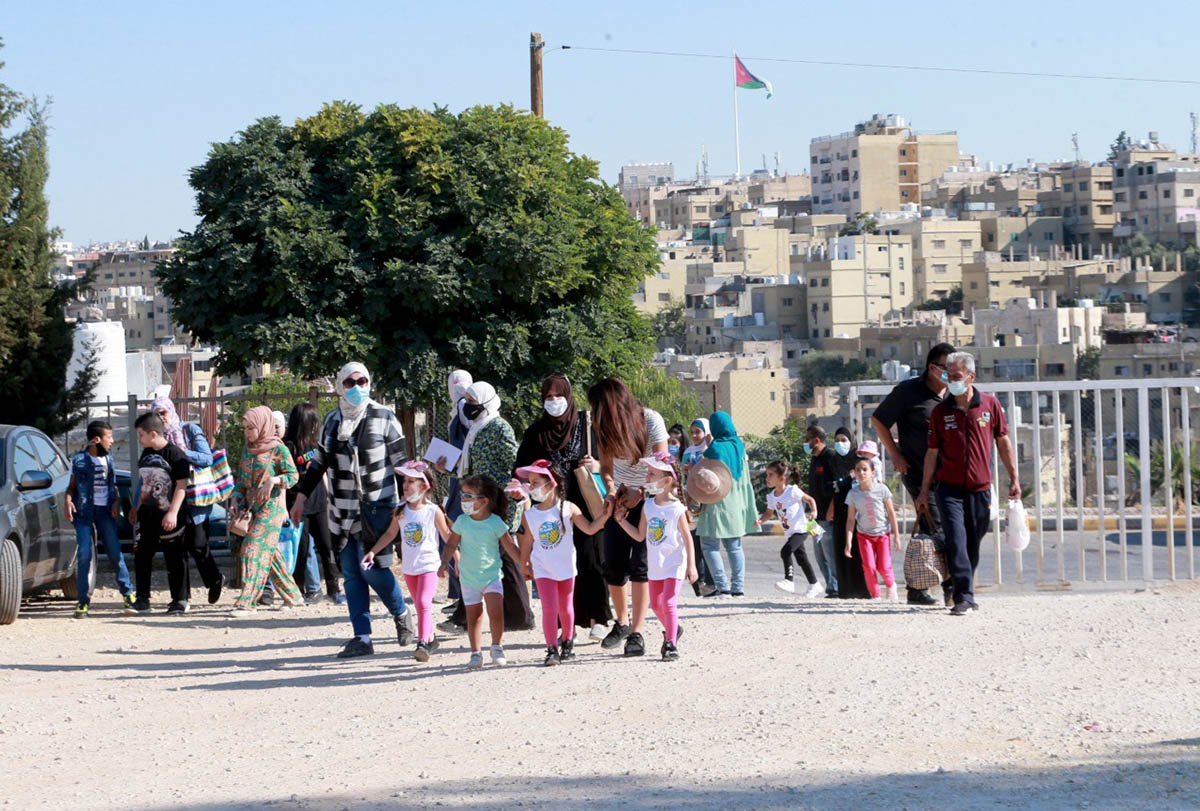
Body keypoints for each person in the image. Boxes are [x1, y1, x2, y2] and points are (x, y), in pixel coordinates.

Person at [290, 362, 414, 658]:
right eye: (350, 382)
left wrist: (407, 502)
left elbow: (401, 463)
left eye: (362, 380)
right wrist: (300, 498)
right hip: (342, 509)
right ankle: (362, 637)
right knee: (351, 572)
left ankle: (401, 613)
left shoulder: (384, 417)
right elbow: (318, 463)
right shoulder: (333, 420)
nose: (357, 387)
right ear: (339, 386)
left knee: (373, 569)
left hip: (378, 506)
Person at [917, 351, 1020, 616]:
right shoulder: (941, 412)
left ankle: (964, 589)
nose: (950, 380)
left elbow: (1003, 441)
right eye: (947, 375)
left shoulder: (989, 405)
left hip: (980, 490)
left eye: (956, 376)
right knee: (956, 540)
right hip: (948, 490)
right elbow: (932, 453)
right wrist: (924, 490)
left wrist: (1014, 478)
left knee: (972, 543)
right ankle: (964, 597)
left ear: (971, 377)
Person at [513, 372, 613, 641]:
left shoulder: (587, 423)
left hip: (584, 501)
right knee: (556, 561)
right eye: (548, 397)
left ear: (568, 397)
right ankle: (563, 624)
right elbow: (520, 469)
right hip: (551, 506)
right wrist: (520, 489)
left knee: (590, 557)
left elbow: (611, 458)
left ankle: (598, 617)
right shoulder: (536, 433)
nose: (554, 401)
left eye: (558, 395)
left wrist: (597, 465)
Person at [437, 381, 533, 634]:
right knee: (493, 555)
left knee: (498, 555)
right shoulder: (477, 429)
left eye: (472, 401)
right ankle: (517, 616)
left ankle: (470, 618)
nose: (467, 406)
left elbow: (515, 462)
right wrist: (448, 468)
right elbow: (472, 468)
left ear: (486, 402)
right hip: (481, 501)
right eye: (466, 401)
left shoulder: (499, 427)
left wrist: (517, 492)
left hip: (501, 502)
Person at [584, 377, 670, 657]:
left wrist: (642, 492)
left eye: (598, 406)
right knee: (613, 565)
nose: (595, 413)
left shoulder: (651, 421)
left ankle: (637, 631)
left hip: (650, 502)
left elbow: (664, 466)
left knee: (640, 567)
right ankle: (621, 622)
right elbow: (606, 468)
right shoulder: (603, 427)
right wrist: (610, 487)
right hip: (620, 501)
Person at [870, 342, 955, 606]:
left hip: (950, 474)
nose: (951, 373)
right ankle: (951, 588)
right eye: (946, 367)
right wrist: (895, 454)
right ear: (932, 368)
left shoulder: (954, 394)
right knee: (937, 526)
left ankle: (918, 587)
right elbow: (879, 420)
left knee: (950, 528)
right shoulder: (908, 391)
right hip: (918, 473)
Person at [515, 459, 612, 666]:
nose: (530, 487)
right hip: (542, 567)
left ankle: (568, 641)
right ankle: (551, 648)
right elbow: (527, 543)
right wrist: (524, 564)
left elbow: (590, 529)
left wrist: (606, 516)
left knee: (566, 606)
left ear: (551, 484)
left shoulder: (568, 508)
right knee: (549, 608)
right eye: (529, 482)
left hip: (566, 565)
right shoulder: (530, 514)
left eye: (535, 483)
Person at [362, 461, 451, 662]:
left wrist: (457, 560)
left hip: (429, 565)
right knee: (420, 606)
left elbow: (447, 537)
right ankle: (431, 638)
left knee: (423, 602)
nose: (406, 485)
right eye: (404, 480)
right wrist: (373, 552)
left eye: (411, 481)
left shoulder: (433, 510)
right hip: (410, 568)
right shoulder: (400, 509)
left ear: (424, 485)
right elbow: (390, 533)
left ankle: (422, 644)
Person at [615, 453, 697, 661]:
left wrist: (692, 566)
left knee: (668, 603)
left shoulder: (677, 508)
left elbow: (688, 539)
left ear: (667, 480)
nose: (647, 478)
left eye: (652, 474)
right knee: (657, 604)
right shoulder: (648, 506)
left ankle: (670, 644)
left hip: (674, 563)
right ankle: (674, 628)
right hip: (655, 565)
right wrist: (621, 521)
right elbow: (640, 535)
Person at [438, 475, 521, 668]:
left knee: (496, 612)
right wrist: (444, 563)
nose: (463, 500)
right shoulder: (461, 521)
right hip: (468, 578)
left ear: (484, 501)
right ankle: (476, 653)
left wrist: (526, 565)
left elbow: (510, 548)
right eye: (462, 495)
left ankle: (496, 647)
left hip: (492, 576)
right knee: (473, 617)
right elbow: (451, 544)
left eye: (468, 496)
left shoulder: (496, 523)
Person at [230, 406, 306, 616]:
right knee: (270, 553)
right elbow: (241, 480)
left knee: (251, 549)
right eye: (245, 428)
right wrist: (236, 499)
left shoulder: (278, 449)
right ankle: (294, 596)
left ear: (263, 426)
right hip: (252, 508)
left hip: (272, 508)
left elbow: (293, 476)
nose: (247, 432)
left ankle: (247, 601)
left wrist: (274, 480)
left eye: (251, 428)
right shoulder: (247, 449)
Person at [152, 396, 223, 606]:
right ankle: (182, 597)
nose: (161, 418)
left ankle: (214, 578)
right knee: (177, 548)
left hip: (195, 496)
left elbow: (206, 458)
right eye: (156, 414)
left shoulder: (189, 430)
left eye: (163, 413)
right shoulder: (158, 438)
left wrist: (181, 453)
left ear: (171, 412)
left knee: (198, 543)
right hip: (172, 498)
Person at [64, 421, 134, 617]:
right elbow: (71, 487)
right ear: (96, 439)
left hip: (105, 512)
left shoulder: (108, 460)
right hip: (84, 513)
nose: (112, 441)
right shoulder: (78, 461)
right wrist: (67, 501)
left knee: (115, 553)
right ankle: (83, 601)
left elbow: (113, 485)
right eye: (108, 437)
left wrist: (116, 503)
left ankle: (127, 594)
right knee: (85, 554)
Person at [129, 412, 191, 614]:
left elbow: (181, 486)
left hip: (169, 516)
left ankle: (180, 600)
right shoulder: (146, 453)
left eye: (141, 435)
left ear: (153, 433)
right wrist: (136, 506)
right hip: (147, 515)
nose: (139, 439)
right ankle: (142, 599)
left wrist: (172, 513)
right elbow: (145, 482)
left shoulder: (176, 455)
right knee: (142, 556)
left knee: (175, 558)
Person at [694, 411, 758, 598]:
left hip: (716, 503)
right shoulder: (739, 447)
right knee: (735, 546)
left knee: (709, 544)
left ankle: (723, 587)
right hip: (737, 504)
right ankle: (738, 588)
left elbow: (705, 475)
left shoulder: (715, 448)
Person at [284, 402, 341, 604]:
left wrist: (330, 497)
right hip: (298, 505)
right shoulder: (288, 446)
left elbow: (323, 474)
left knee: (328, 548)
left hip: (320, 503)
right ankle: (298, 590)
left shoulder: (317, 445)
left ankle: (334, 589)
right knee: (301, 548)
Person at [759, 460, 822, 599]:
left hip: (801, 529)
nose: (767, 478)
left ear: (782, 478)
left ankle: (789, 580)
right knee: (802, 559)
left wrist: (814, 512)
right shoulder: (771, 496)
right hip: (790, 532)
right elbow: (769, 513)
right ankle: (814, 584)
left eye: (770, 475)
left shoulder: (792, 490)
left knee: (786, 551)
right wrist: (760, 520)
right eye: (767, 475)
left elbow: (810, 500)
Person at [844, 455, 900, 602]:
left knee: (884, 566)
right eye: (858, 470)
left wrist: (896, 536)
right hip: (864, 536)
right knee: (868, 566)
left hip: (882, 534)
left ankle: (891, 586)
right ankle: (875, 596)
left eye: (865, 469)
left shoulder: (882, 490)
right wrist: (848, 542)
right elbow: (850, 520)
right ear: (854, 473)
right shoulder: (853, 494)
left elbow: (891, 513)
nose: (861, 473)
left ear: (873, 472)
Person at [442, 370, 473, 605]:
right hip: (458, 475)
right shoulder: (460, 408)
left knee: (457, 531)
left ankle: (463, 594)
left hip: (463, 478)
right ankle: (460, 594)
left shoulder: (463, 408)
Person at [830, 426, 871, 599]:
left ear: (851, 442)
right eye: (837, 440)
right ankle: (845, 590)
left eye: (844, 440)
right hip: (840, 512)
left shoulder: (858, 463)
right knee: (841, 547)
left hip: (857, 512)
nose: (840, 444)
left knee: (859, 550)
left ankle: (864, 590)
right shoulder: (832, 461)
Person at [680, 417, 715, 595]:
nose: (694, 435)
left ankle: (711, 581)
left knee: (707, 541)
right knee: (694, 540)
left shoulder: (710, 449)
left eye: (698, 432)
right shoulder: (688, 451)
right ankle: (699, 582)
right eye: (692, 432)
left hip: (707, 500)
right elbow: (682, 473)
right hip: (691, 499)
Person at [804, 425, 838, 598]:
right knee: (819, 553)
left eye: (808, 439)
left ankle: (836, 587)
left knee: (829, 551)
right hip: (814, 517)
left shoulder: (830, 457)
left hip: (826, 514)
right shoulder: (814, 459)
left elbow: (836, 487)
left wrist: (832, 508)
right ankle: (830, 586)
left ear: (816, 439)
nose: (806, 442)